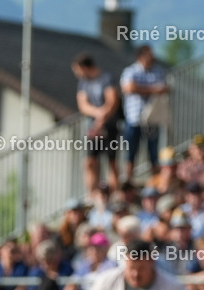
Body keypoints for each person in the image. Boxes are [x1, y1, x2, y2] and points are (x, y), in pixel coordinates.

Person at [72, 53, 120, 193]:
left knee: (111, 162)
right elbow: (83, 105)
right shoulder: (83, 83)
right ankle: (91, 194)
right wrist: (98, 114)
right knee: (89, 161)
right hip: (93, 127)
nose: (76, 73)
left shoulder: (106, 78)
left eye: (77, 69)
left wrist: (101, 119)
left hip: (109, 125)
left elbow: (112, 102)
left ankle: (114, 193)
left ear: (84, 67)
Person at [119, 45, 168, 180]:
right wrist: (153, 89)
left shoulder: (157, 71)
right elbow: (129, 88)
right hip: (134, 119)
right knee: (130, 152)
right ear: (141, 56)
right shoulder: (131, 71)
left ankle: (155, 181)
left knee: (153, 153)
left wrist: (142, 88)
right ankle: (128, 182)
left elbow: (164, 88)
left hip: (152, 118)